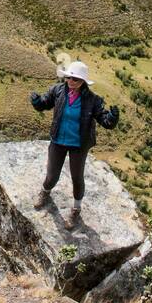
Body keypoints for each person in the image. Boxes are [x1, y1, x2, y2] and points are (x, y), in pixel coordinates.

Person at [29, 60, 119, 230]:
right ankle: (45, 193)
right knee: (51, 175)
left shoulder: (93, 100)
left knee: (77, 178)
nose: (71, 81)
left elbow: (105, 121)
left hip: (79, 144)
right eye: (69, 77)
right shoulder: (57, 90)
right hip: (58, 141)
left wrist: (113, 118)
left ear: (83, 82)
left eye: (75, 79)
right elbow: (44, 104)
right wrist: (36, 102)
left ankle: (76, 209)